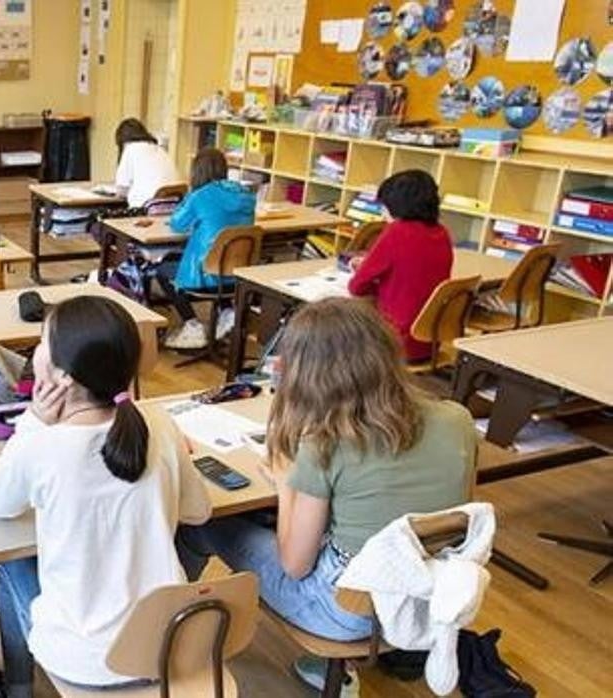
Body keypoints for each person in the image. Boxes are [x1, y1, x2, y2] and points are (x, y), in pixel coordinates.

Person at [176, 298, 476, 694]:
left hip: (345, 612)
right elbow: (445, 511)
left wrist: (286, 486)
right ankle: (345, 665)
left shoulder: (327, 442)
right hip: (425, 598)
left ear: (308, 373)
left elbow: (295, 566)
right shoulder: (458, 419)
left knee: (204, 523)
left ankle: (168, 639)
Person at [0, 296, 212, 696]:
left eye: (41, 343)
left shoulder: (43, 445)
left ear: (64, 375)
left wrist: (32, 423)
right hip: (166, 641)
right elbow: (198, 511)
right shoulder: (159, 423)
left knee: (10, 566)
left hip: (87, 661)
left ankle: (18, 690)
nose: (35, 351)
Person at [347, 169, 453, 363]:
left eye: (384, 206)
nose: (382, 211)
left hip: (396, 340)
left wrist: (366, 272)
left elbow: (357, 287)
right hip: (430, 340)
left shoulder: (397, 232)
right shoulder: (442, 233)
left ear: (396, 206)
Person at [156, 148, 257, 350]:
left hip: (205, 275)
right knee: (181, 262)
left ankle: (191, 323)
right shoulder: (246, 196)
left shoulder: (200, 196)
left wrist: (189, 197)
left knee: (162, 269)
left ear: (197, 171)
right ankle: (227, 311)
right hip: (237, 274)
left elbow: (177, 223)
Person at [113, 118, 182, 209]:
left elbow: (121, 191)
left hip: (146, 209)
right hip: (173, 207)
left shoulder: (130, 149)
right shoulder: (161, 150)